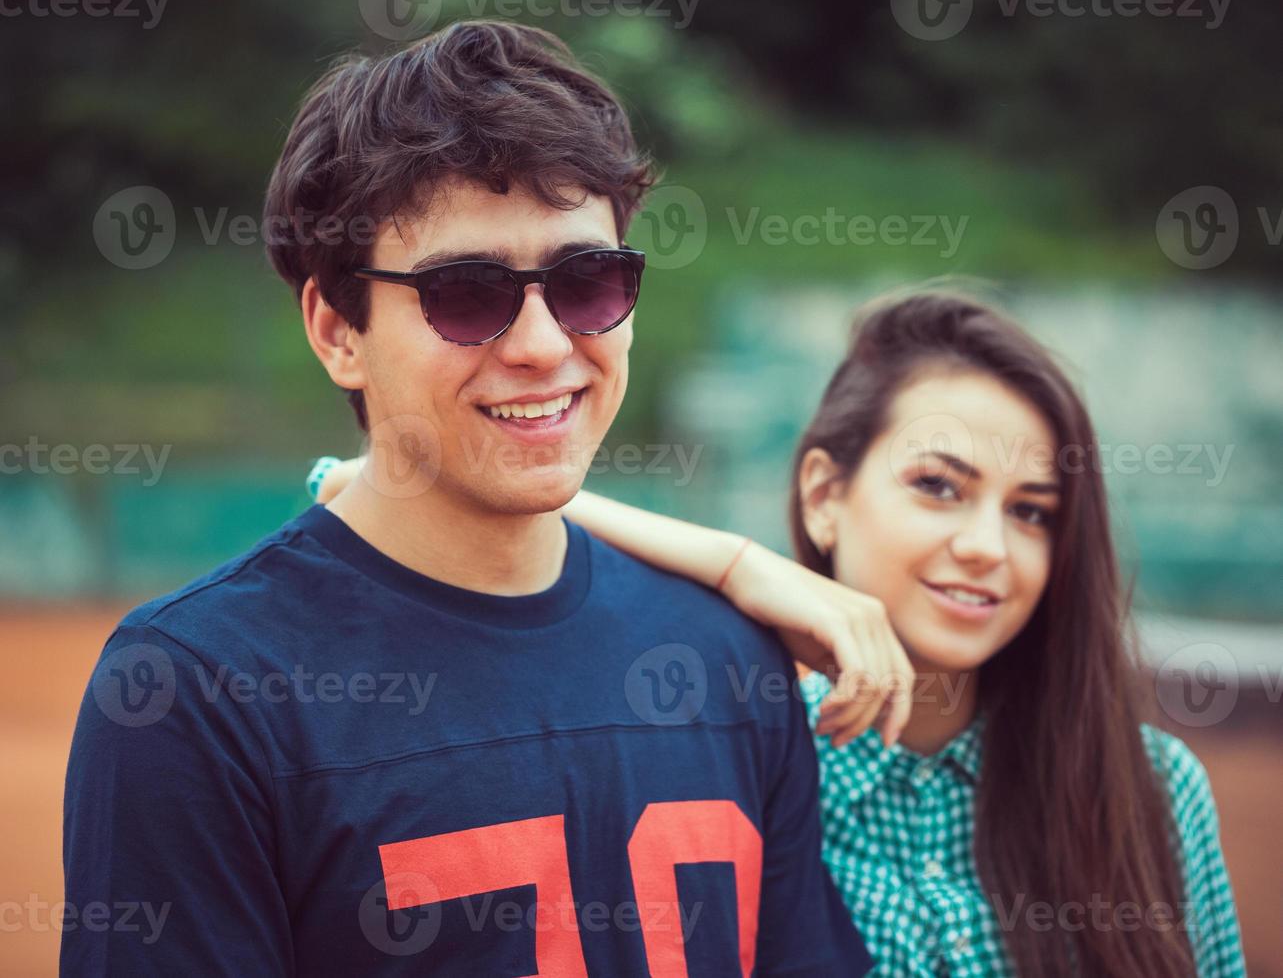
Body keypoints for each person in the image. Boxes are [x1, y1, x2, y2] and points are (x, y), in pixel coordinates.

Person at [61, 22, 872, 976]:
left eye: (587, 279)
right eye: (467, 292)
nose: (540, 344)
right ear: (336, 329)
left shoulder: (730, 657)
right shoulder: (197, 697)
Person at [315, 288, 1248, 976]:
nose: (986, 548)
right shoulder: (732, 773)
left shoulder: (1150, 790)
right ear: (823, 497)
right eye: (938, 486)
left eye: (1034, 511)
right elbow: (351, 478)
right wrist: (736, 562)